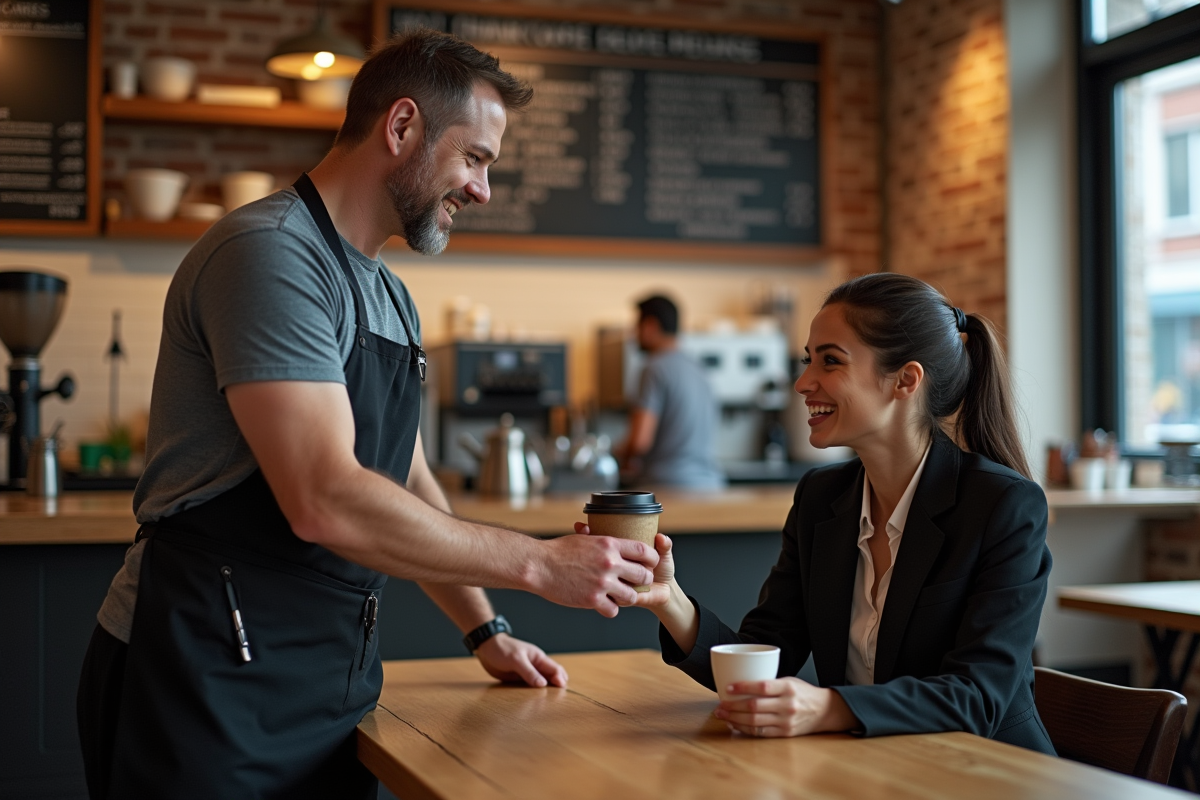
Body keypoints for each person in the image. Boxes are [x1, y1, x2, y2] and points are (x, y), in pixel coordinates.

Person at [76, 29, 658, 800]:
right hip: (198, 673)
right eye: (475, 158)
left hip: (326, 678)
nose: (483, 189)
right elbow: (324, 498)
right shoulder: (270, 255)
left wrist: (485, 630)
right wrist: (539, 564)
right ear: (402, 126)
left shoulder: (389, 295)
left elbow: (405, 478)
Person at [585, 273, 1055, 752]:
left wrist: (827, 707)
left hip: (991, 771)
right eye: (808, 360)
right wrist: (669, 599)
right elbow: (766, 659)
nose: (803, 382)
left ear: (905, 380)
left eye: (830, 361)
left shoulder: (1004, 506)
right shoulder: (821, 497)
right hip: (876, 767)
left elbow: (978, 697)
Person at [615, 294, 725, 490]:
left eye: (637, 327)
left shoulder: (653, 368)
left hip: (668, 486)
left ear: (650, 325)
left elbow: (640, 442)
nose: (634, 334)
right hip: (710, 486)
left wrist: (619, 454)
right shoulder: (699, 369)